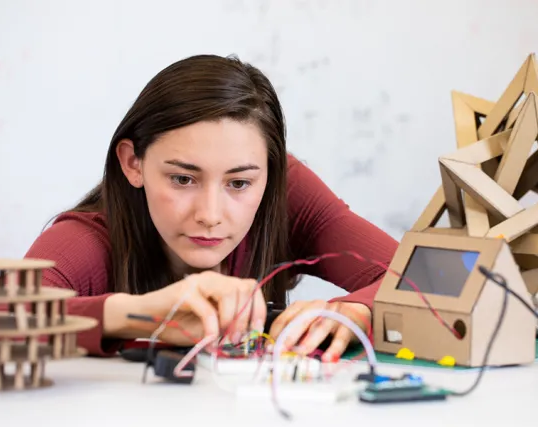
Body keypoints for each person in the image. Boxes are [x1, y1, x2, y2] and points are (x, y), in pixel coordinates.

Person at [23, 54, 400, 362]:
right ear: (133, 163)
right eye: (183, 179)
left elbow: (424, 280)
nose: (210, 214)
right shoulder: (88, 238)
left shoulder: (287, 191)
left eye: (238, 183)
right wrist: (141, 314)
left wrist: (358, 310)